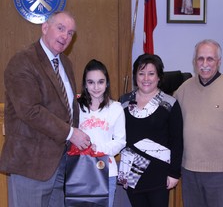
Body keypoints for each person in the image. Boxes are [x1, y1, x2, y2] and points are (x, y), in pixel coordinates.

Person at [0, 11, 91, 207]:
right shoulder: (23, 61)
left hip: (59, 165)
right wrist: (70, 133)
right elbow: (30, 110)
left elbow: (68, 107)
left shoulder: (65, 62)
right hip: (30, 165)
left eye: (70, 33)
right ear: (45, 28)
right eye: (61, 28)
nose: (65, 36)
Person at [174, 39, 223, 207]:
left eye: (210, 59)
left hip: (220, 172)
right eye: (200, 59)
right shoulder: (183, 89)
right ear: (194, 62)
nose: (205, 64)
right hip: (189, 169)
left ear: (219, 62)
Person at [118, 53, 183, 207]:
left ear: (159, 77)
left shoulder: (170, 103)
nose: (145, 78)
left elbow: (177, 141)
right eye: (141, 73)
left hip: (158, 174)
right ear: (135, 76)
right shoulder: (124, 101)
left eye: (151, 73)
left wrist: (174, 173)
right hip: (131, 172)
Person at [76, 59, 126, 207]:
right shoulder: (77, 107)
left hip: (106, 173)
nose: (96, 87)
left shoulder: (116, 108)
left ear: (107, 83)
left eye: (101, 82)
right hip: (80, 172)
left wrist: (98, 149)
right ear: (85, 84)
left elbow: (120, 141)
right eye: (91, 82)